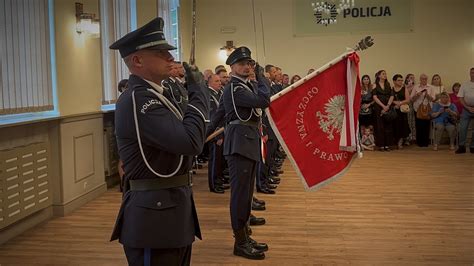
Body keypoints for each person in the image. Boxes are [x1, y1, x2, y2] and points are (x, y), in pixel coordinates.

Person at [109, 17, 210, 265]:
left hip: (171, 209)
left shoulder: (157, 95)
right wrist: (199, 92)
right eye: (161, 52)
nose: (170, 57)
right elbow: (190, 142)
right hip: (154, 219)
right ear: (138, 60)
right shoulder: (139, 99)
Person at [222, 47, 270, 260]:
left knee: (246, 192)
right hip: (240, 143)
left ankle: (244, 235)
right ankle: (240, 242)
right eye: (242, 64)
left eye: (250, 63)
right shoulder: (236, 88)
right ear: (231, 67)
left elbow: (219, 115)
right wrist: (260, 77)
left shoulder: (243, 86)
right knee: (240, 195)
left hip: (246, 142)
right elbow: (263, 101)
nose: (247, 67)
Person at [207, 74, 226, 193]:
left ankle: (219, 180)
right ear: (209, 82)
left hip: (222, 130)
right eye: (217, 81)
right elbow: (213, 117)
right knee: (214, 160)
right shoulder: (209, 95)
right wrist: (218, 135)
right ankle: (214, 184)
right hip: (215, 132)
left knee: (220, 159)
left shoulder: (218, 93)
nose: (219, 83)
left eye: (220, 81)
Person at [411, 74, 436, 147]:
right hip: (417, 109)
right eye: (422, 79)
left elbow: (433, 99)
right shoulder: (416, 87)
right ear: (420, 79)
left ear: (427, 79)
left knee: (426, 126)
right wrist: (417, 95)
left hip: (427, 109)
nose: (424, 80)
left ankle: (425, 143)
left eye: (425, 79)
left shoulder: (431, 87)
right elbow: (412, 99)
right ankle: (419, 142)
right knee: (419, 126)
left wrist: (427, 95)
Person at [372, 70, 394, 151]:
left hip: (388, 106)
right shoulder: (375, 85)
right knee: (380, 126)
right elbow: (374, 97)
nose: (385, 75)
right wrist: (383, 106)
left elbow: (392, 96)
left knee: (388, 126)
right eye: (383, 74)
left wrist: (387, 106)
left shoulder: (388, 84)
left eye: (385, 74)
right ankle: (381, 145)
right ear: (379, 76)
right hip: (378, 107)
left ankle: (387, 145)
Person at [455, 67, 474, 154]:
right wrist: (467, 107)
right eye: (472, 72)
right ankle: (462, 147)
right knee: (462, 128)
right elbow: (461, 98)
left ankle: (473, 147)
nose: (473, 74)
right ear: (469, 74)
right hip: (466, 109)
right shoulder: (465, 84)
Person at [392, 74, 411, 149]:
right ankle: (395, 141)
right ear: (394, 81)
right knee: (395, 125)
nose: (401, 82)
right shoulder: (392, 89)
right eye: (399, 80)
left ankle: (400, 142)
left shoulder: (404, 89)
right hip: (394, 110)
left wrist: (399, 103)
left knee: (402, 126)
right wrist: (394, 103)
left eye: (401, 80)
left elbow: (408, 100)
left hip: (402, 111)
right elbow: (390, 99)